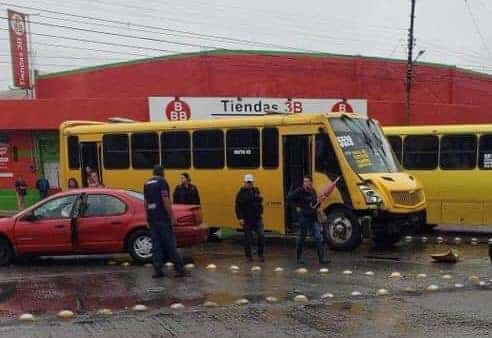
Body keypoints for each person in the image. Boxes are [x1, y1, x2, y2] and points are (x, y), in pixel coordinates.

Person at [143, 165, 185, 278]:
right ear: (162, 173)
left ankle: (157, 270)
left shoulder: (146, 184)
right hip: (162, 218)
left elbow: (145, 202)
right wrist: (171, 215)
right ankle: (180, 269)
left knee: (156, 245)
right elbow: (165, 199)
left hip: (152, 219)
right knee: (170, 244)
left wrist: (147, 217)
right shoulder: (162, 182)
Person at [287, 176, 329, 265]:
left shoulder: (313, 191)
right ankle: (298, 258)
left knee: (318, 238)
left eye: (307, 181)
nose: (305, 183)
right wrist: (296, 208)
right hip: (304, 218)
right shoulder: (299, 191)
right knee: (302, 238)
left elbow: (315, 205)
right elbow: (289, 198)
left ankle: (321, 259)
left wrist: (320, 201)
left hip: (313, 218)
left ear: (311, 182)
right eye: (304, 181)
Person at [235, 174, 265, 262]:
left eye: (250, 182)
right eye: (248, 182)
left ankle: (260, 254)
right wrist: (240, 218)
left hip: (257, 218)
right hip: (247, 219)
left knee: (261, 235)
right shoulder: (240, 193)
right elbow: (238, 207)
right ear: (244, 182)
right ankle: (248, 256)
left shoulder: (256, 190)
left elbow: (260, 201)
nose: (249, 184)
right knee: (248, 238)